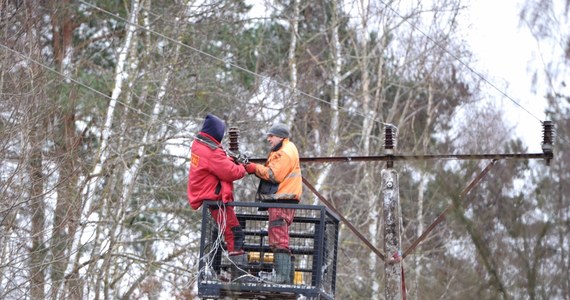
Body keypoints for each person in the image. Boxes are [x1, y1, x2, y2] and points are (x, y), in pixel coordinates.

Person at [187, 114, 250, 282]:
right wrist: (243, 166)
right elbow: (229, 171)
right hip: (216, 199)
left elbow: (220, 161)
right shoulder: (210, 152)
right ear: (216, 133)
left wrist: (231, 159)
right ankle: (239, 277)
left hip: (212, 198)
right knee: (234, 235)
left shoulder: (201, 146)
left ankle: (217, 270)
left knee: (221, 234)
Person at [244, 123, 302, 284]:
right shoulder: (288, 149)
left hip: (281, 200)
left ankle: (282, 277)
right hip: (287, 200)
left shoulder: (284, 153)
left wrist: (253, 167)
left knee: (278, 239)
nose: (268, 139)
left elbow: (273, 175)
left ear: (281, 137)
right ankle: (286, 277)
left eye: (271, 136)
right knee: (281, 237)